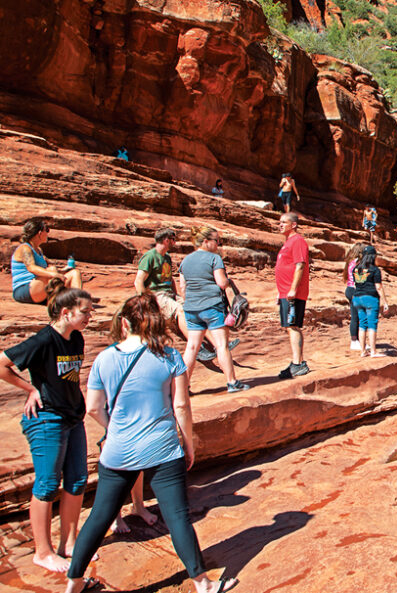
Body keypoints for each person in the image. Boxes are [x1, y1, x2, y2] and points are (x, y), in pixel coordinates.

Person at [65, 294, 237, 593]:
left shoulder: (105, 358)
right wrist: (189, 443)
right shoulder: (170, 357)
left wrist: (115, 428)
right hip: (162, 448)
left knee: (99, 517)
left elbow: (92, 407)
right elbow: (181, 406)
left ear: (124, 322)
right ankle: (203, 583)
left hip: (118, 450)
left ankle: (74, 583)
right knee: (178, 517)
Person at [0, 281, 93, 573]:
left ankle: (69, 543)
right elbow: (2, 364)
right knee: (47, 485)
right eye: (85, 312)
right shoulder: (42, 340)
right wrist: (29, 389)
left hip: (72, 417)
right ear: (66, 312)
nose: (90, 317)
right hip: (46, 418)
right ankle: (43, 552)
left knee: (77, 480)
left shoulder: (76, 338)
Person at [134, 229, 236, 363]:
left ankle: (219, 345)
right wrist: (144, 302)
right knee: (181, 310)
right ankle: (198, 349)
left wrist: (177, 295)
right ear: (166, 240)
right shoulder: (150, 256)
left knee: (195, 309)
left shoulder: (167, 257)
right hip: (155, 295)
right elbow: (138, 280)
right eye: (173, 239)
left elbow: (170, 280)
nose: (175, 243)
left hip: (169, 294)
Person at [179, 227, 248, 393]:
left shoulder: (185, 261)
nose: (218, 244)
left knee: (192, 347)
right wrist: (228, 280)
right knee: (222, 345)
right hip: (212, 306)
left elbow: (183, 287)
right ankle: (232, 382)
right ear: (205, 242)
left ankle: (183, 387)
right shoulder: (214, 258)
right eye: (216, 241)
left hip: (191, 308)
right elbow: (221, 283)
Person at [11, 219, 84, 305]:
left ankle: (78, 303)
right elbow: (31, 267)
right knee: (51, 269)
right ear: (40, 233)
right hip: (24, 290)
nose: (48, 233)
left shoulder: (39, 251)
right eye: (47, 230)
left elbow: (48, 271)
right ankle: (58, 302)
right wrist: (53, 273)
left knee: (75, 273)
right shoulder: (25, 248)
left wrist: (64, 270)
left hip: (41, 288)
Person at [276, 213, 310, 379]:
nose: (280, 225)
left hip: (293, 294)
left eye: (284, 222)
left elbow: (300, 266)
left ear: (294, 224)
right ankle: (296, 362)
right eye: (279, 222)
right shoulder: (288, 242)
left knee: (293, 325)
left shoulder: (298, 241)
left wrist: (293, 290)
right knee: (289, 326)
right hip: (285, 293)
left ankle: (298, 363)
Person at [352, 246, 390, 357]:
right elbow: (378, 287)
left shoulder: (356, 268)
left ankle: (363, 351)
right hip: (370, 298)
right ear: (373, 256)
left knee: (362, 324)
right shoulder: (374, 270)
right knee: (372, 325)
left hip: (357, 298)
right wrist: (385, 302)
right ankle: (373, 351)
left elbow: (356, 284)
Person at [344, 243, 366, 351]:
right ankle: (354, 341)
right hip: (355, 291)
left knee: (356, 316)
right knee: (356, 317)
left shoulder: (351, 261)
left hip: (350, 289)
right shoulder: (359, 263)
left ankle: (357, 340)